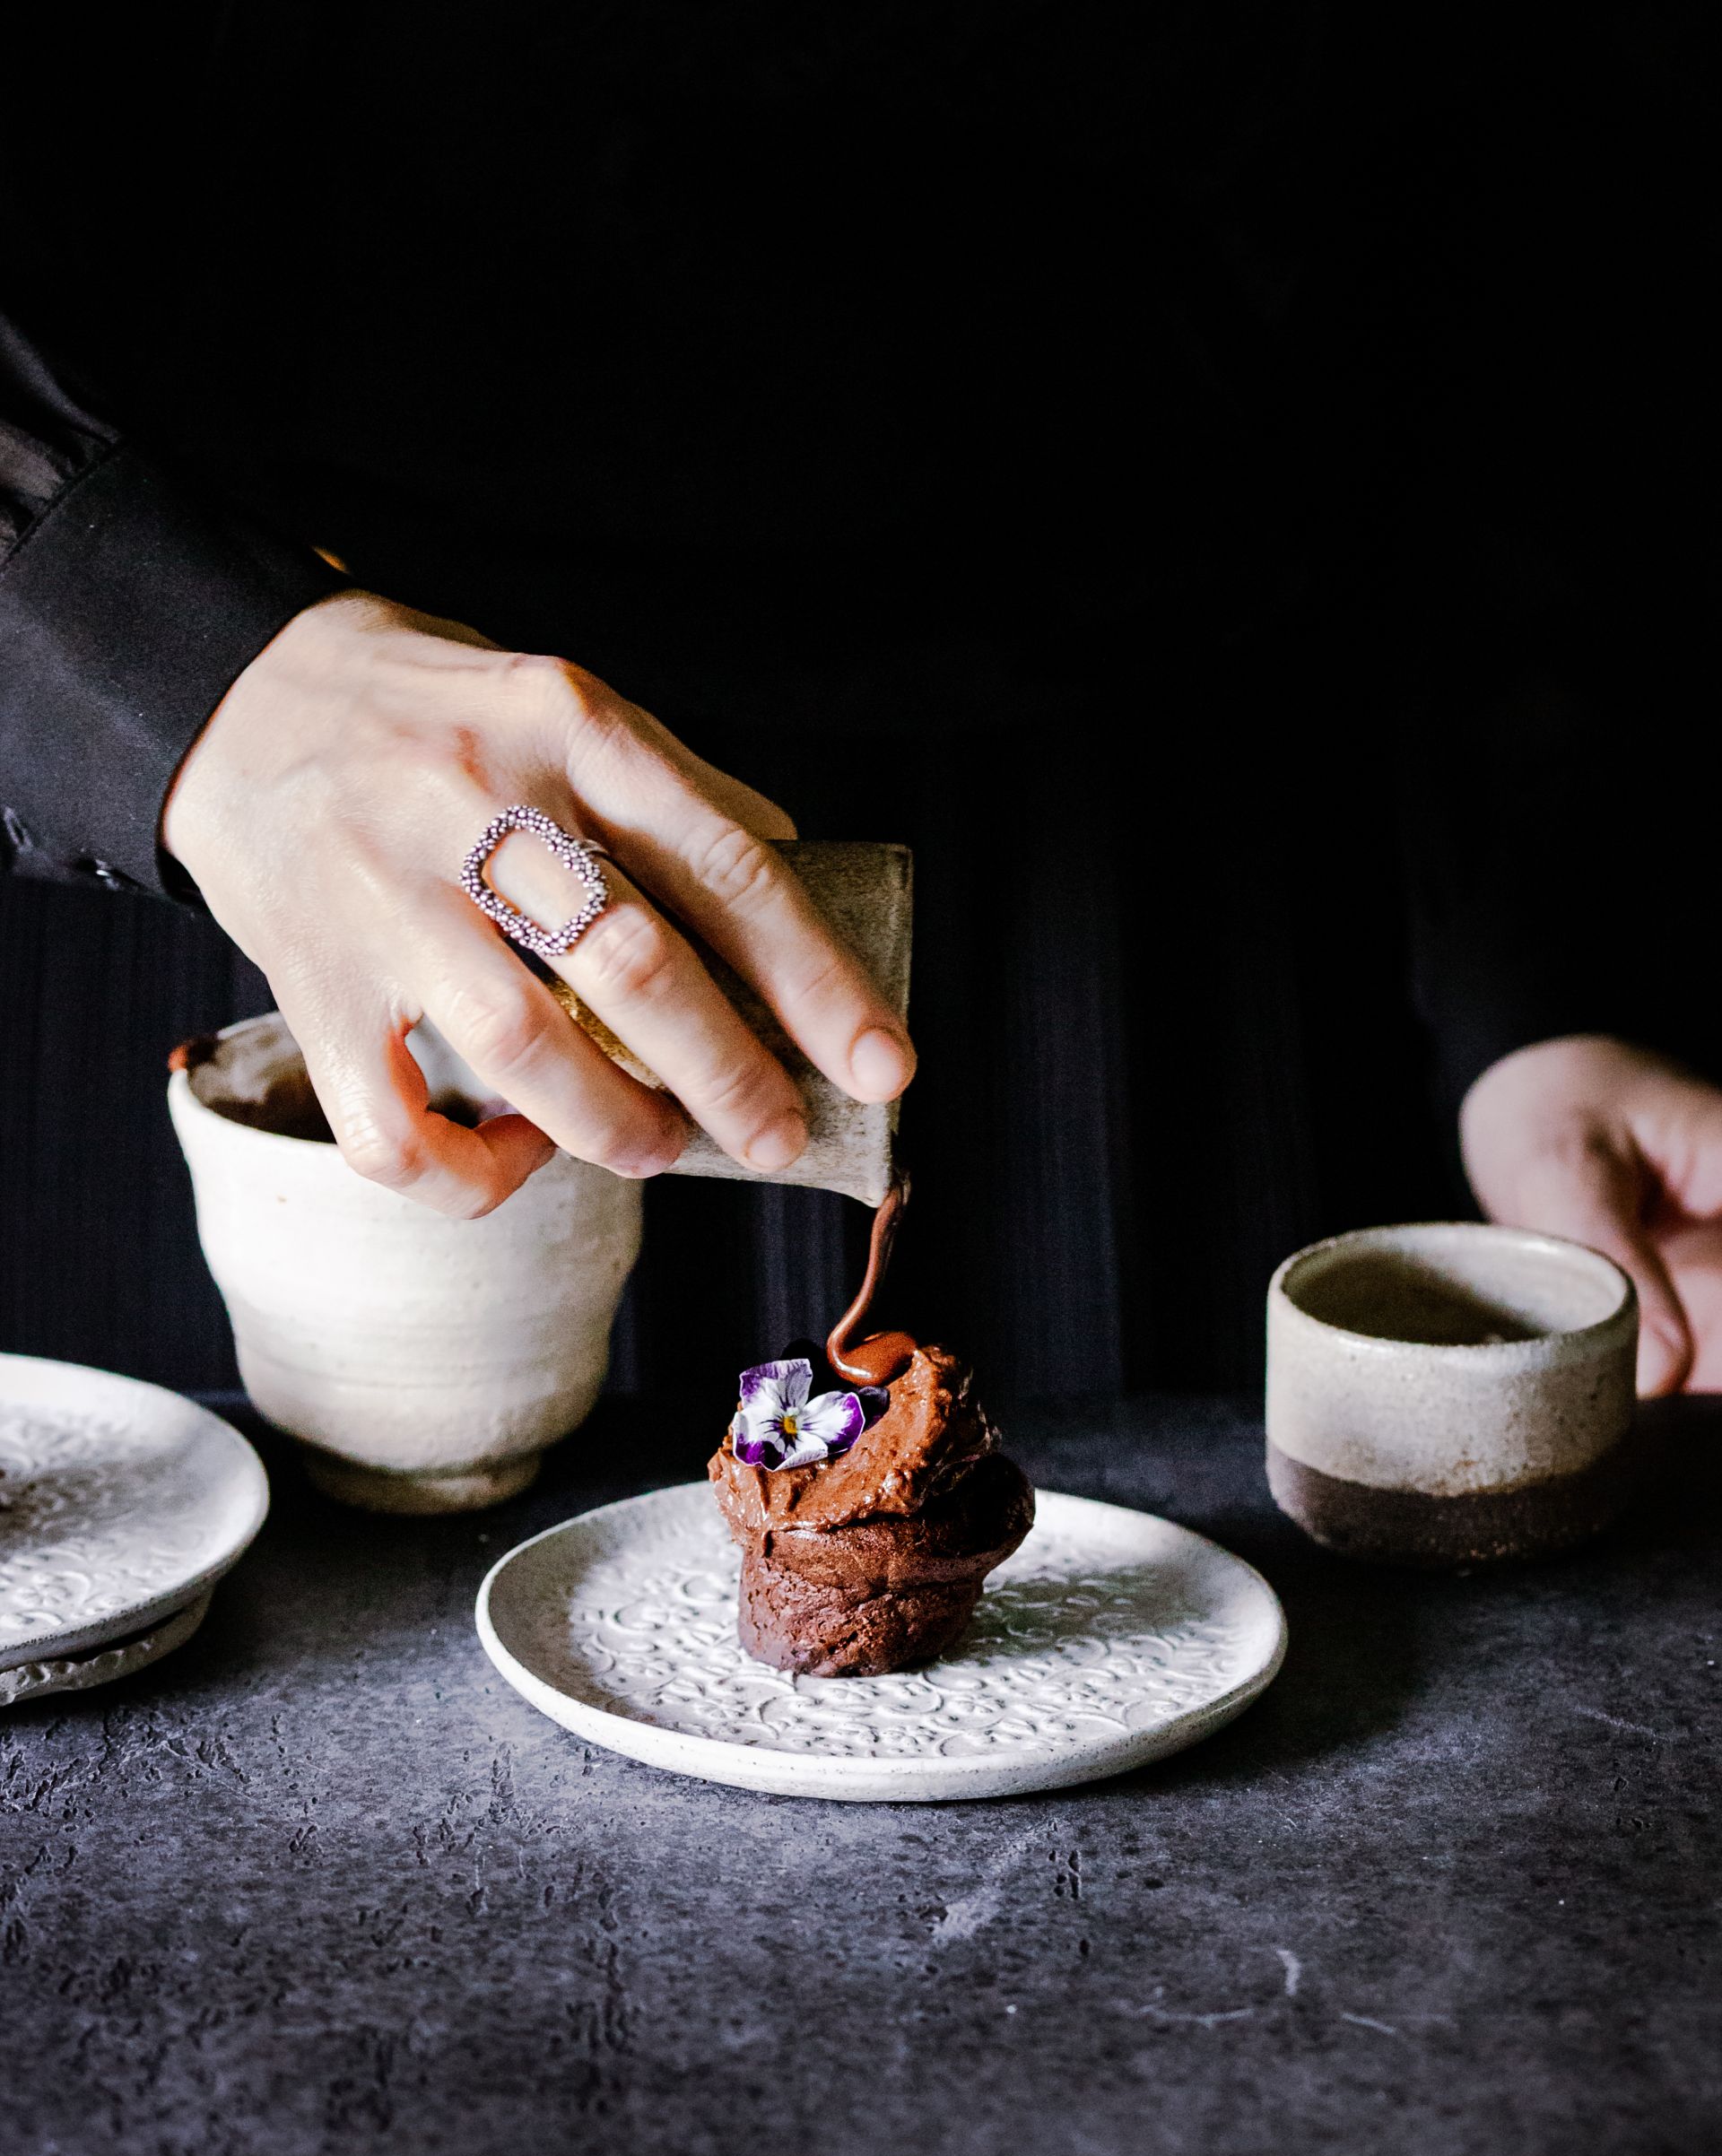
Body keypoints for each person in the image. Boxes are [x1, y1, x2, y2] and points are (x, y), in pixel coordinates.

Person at [3, 7, 1718, 1399]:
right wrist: (152, 660)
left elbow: (1525, 113)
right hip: (282, 830)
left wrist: (1541, 953)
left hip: (1183, 908)